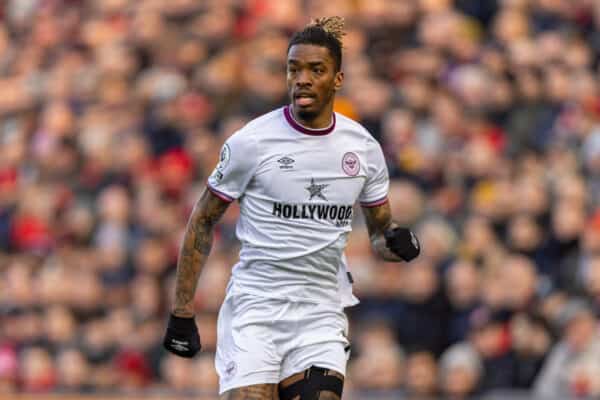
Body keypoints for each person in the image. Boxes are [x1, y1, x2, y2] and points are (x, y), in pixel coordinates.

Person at [162, 16, 421, 400]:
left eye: (316, 69)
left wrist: (400, 243)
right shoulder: (252, 142)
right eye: (293, 68)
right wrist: (182, 311)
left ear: (338, 79)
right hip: (256, 308)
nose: (302, 78)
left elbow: (381, 238)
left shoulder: (362, 149)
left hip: (319, 310)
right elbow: (202, 220)